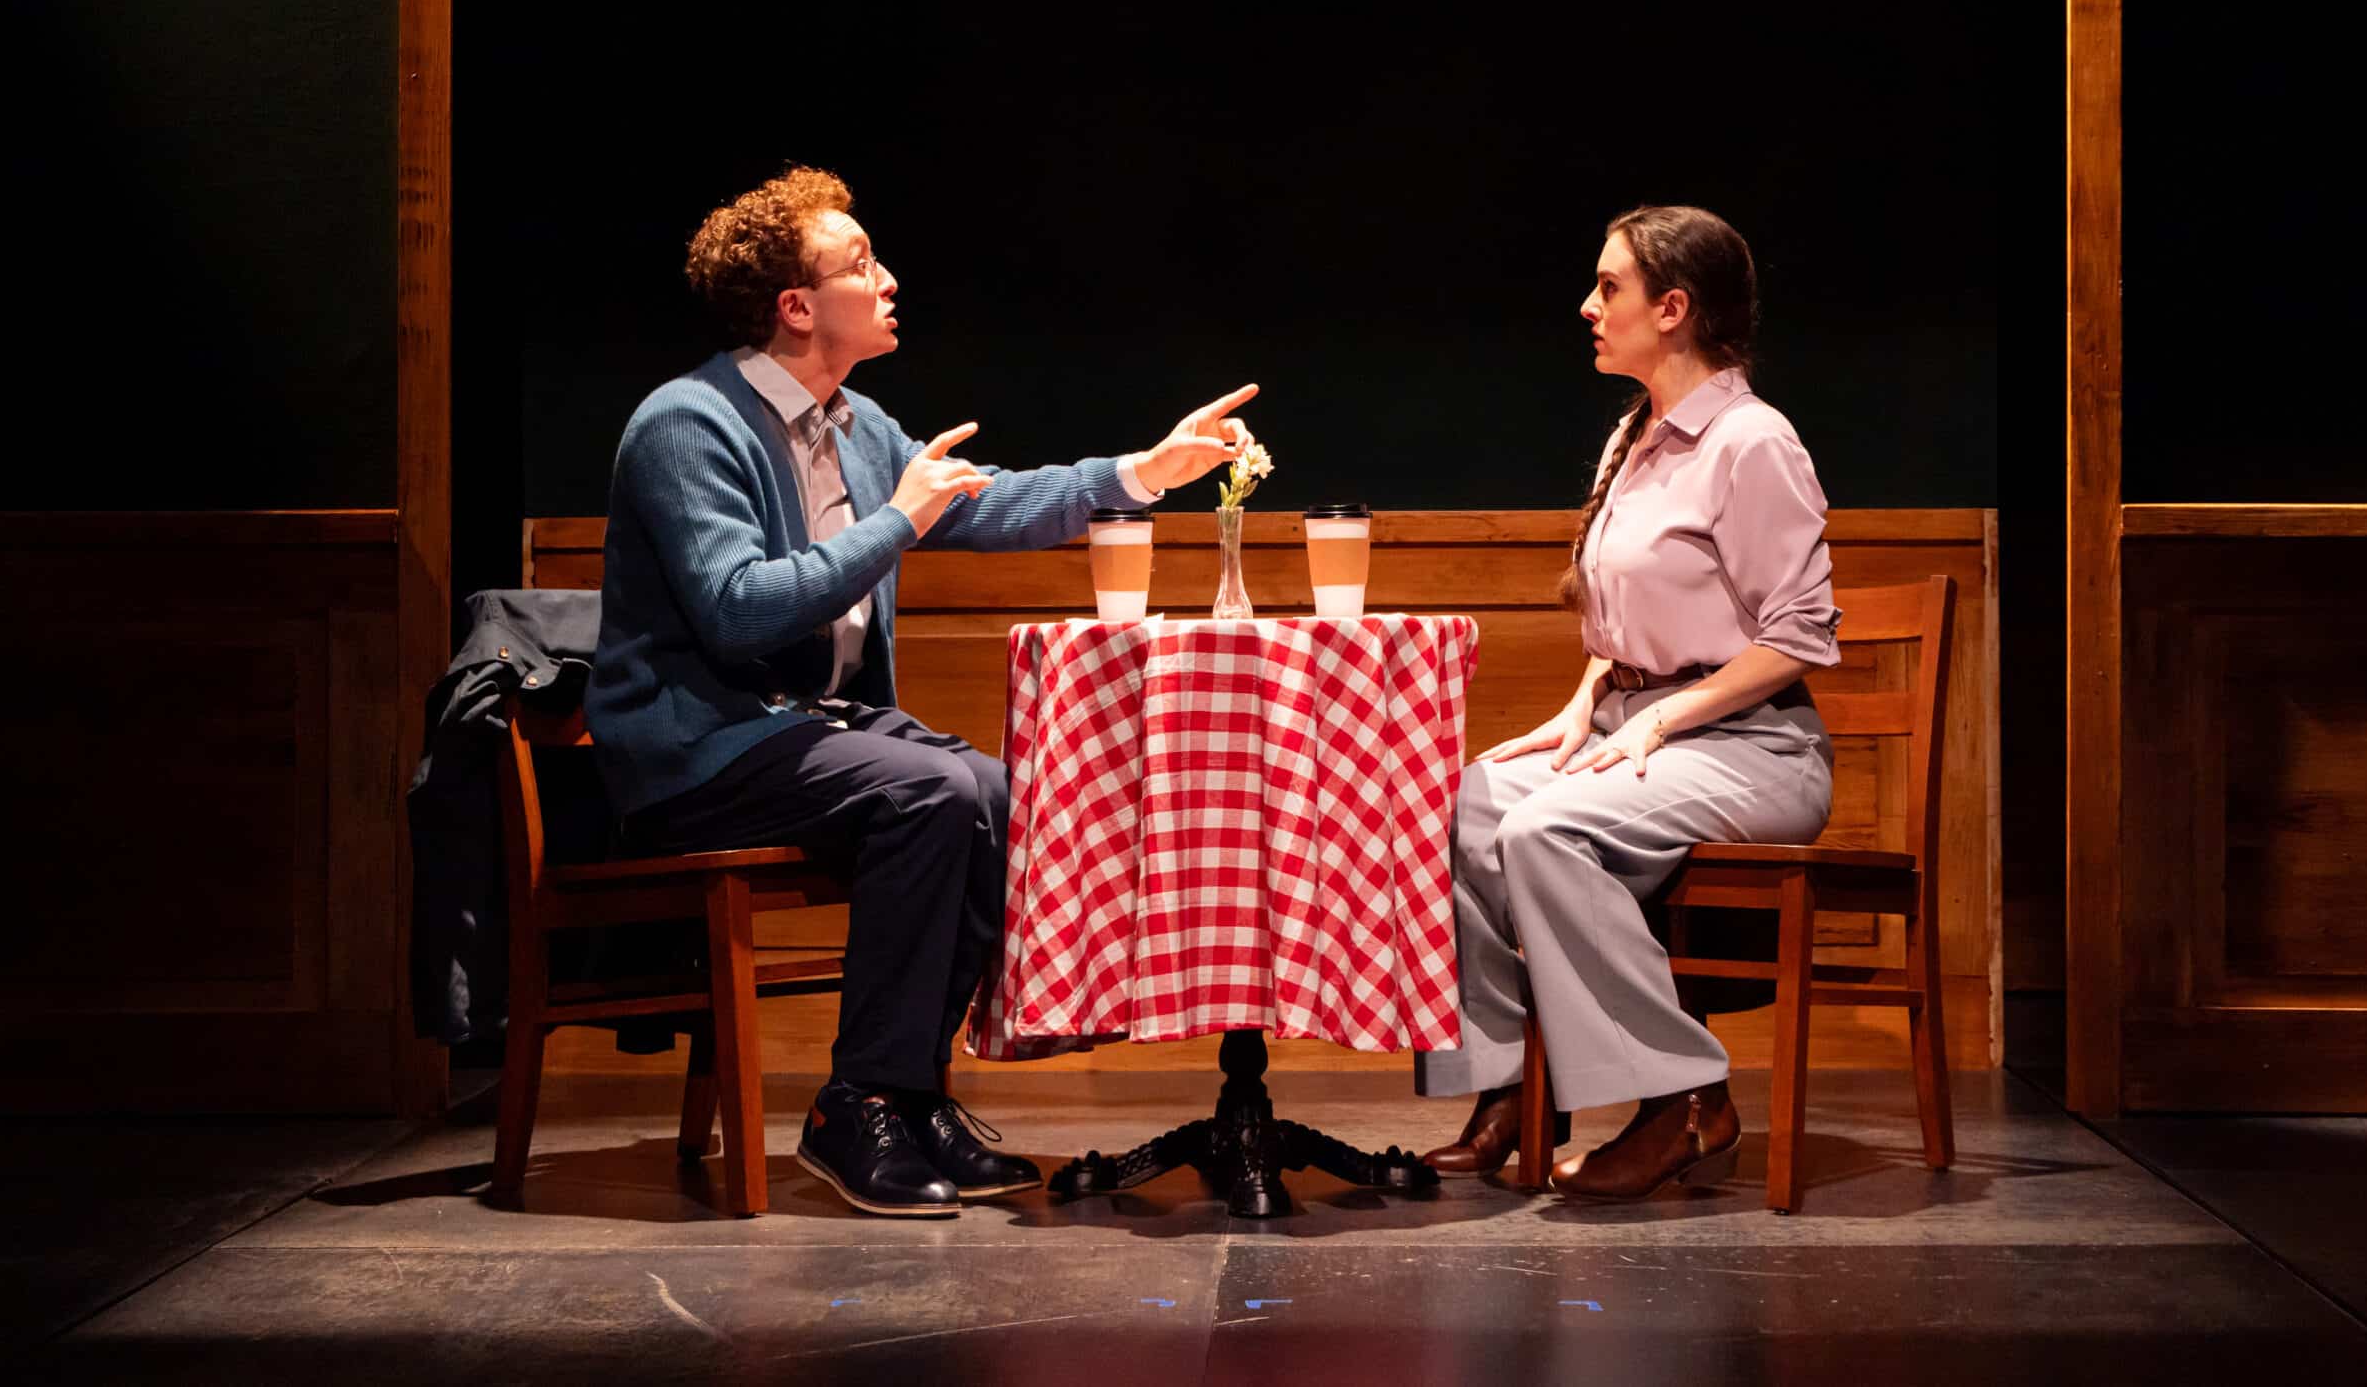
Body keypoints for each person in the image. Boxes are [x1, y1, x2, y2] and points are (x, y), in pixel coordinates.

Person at [586, 164, 1256, 1218]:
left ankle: (909, 1090)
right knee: (928, 791)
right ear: (796, 307)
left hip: (812, 735)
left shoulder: (855, 423)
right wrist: (895, 520)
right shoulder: (687, 423)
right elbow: (738, 611)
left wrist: (1145, 470)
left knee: (997, 787)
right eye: (860, 262)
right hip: (701, 748)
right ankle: (857, 1103)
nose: (889, 276)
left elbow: (985, 507)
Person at [1416, 205, 1840, 1201]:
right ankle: (1515, 1086)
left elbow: (1798, 634)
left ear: (1675, 308)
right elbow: (1636, 616)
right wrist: (1590, 698)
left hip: (1753, 748)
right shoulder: (1639, 436)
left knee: (1546, 832)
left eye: (1610, 288)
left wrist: (1657, 716)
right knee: (1464, 803)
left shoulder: (1750, 441)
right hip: (1642, 724)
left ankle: (1684, 1096)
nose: (1588, 306)